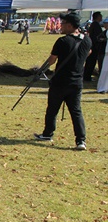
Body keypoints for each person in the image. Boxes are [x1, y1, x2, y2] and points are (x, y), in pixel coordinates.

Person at [33, 12, 92, 150]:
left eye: (63, 24)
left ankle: (48, 133)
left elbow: (52, 60)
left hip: (60, 82)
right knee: (76, 111)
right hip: (77, 82)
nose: (61, 26)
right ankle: (81, 140)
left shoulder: (62, 41)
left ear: (70, 25)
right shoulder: (87, 40)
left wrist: (41, 70)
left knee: (53, 109)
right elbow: (88, 53)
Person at [83, 11, 104, 82]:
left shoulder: (93, 24)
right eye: (100, 16)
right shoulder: (96, 25)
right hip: (94, 47)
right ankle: (87, 77)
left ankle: (86, 76)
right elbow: (97, 37)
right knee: (91, 62)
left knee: (89, 62)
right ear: (98, 17)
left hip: (91, 46)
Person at [95, 18, 108, 94]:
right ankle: (102, 88)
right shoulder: (105, 32)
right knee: (104, 71)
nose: (105, 25)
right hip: (105, 53)